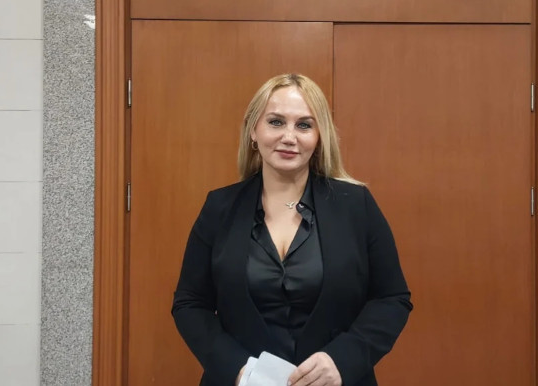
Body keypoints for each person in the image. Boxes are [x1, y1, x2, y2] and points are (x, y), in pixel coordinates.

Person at [172, 73, 412, 386]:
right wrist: (237, 369)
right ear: (253, 131)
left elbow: (392, 298)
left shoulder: (356, 205)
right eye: (275, 122)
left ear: (319, 136)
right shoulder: (219, 207)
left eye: (304, 125)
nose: (289, 137)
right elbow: (190, 303)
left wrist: (342, 360)